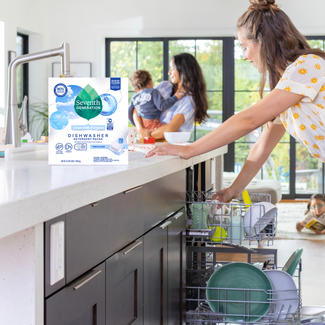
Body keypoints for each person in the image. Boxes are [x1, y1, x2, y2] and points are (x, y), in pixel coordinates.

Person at [147, 0, 325, 204]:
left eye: (244, 46)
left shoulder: (308, 67)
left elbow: (248, 120)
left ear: (263, 41)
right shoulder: (287, 90)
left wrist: (190, 149)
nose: (244, 55)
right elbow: (261, 147)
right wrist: (232, 190)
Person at [129, 53, 209, 140]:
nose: (169, 72)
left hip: (169, 147)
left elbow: (169, 129)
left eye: (172, 68)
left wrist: (146, 134)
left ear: (183, 70)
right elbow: (138, 106)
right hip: (149, 142)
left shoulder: (189, 101)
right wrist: (140, 128)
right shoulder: (165, 86)